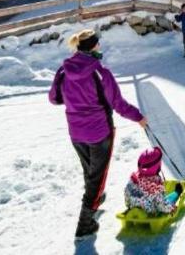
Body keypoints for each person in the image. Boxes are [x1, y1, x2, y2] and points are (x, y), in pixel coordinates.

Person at [49, 29, 148, 240]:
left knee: (90, 172)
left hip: (76, 132)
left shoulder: (63, 71)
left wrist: (76, 98)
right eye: (98, 44)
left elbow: (54, 98)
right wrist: (138, 117)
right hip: (100, 131)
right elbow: (118, 104)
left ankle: (95, 199)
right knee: (97, 176)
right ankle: (85, 223)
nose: (100, 47)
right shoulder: (100, 72)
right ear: (93, 46)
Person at [124, 147, 183, 216]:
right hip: (149, 212)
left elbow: (127, 196)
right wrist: (171, 208)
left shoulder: (134, 179)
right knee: (167, 200)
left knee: (150, 198)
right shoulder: (154, 186)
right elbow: (162, 205)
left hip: (132, 207)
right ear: (156, 166)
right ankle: (177, 192)